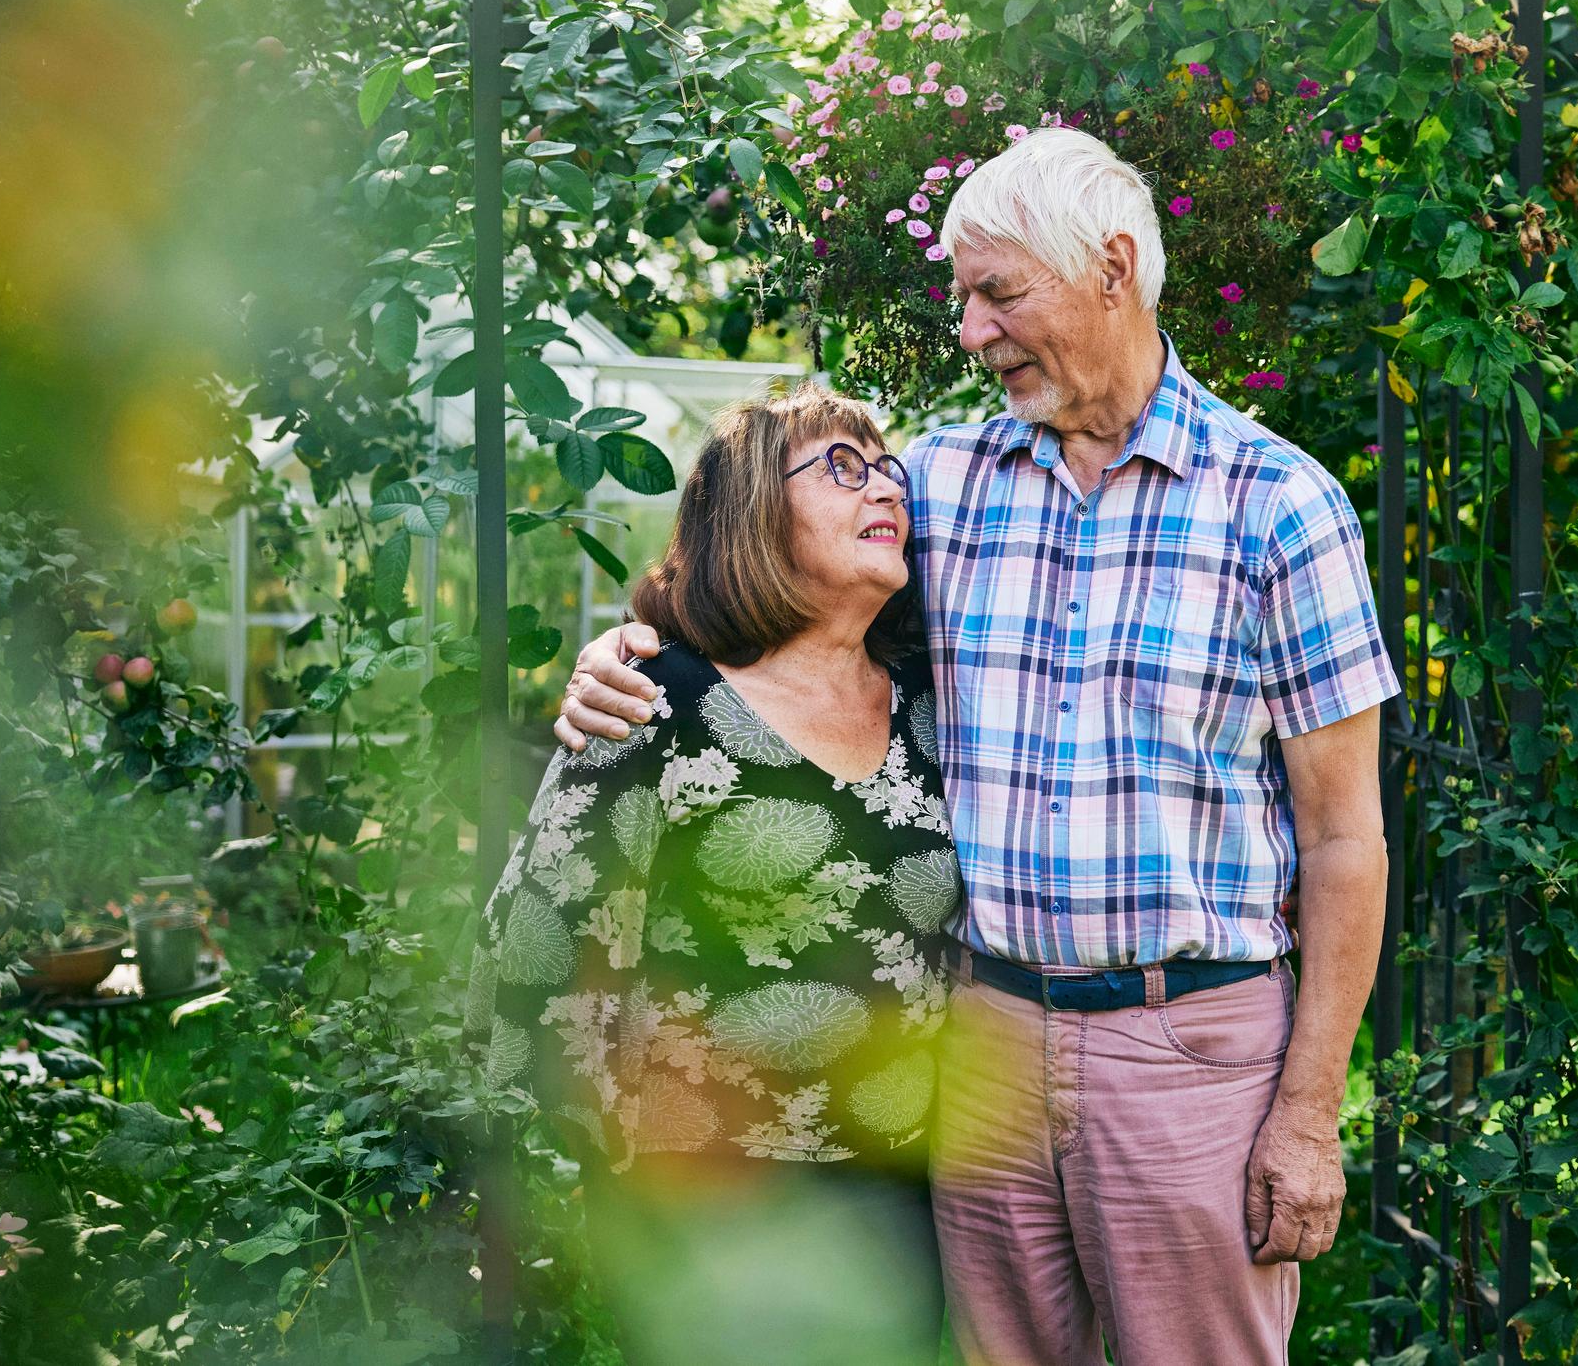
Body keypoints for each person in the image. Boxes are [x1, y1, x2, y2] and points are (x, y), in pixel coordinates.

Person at [557, 125, 1399, 1366]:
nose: (968, 329)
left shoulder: (1280, 506)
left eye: (998, 291)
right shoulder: (941, 484)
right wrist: (624, 652)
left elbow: (1341, 837)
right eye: (962, 296)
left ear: (1112, 269)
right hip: (983, 1035)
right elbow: (773, 606)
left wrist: (1309, 1111)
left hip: (1188, 1045)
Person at [477, 385, 953, 1366]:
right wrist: (527, 1211)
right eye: (840, 463)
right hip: (703, 1203)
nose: (884, 486)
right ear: (750, 513)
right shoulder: (654, 703)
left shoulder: (933, 710)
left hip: (898, 1207)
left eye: (886, 464)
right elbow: (532, 949)